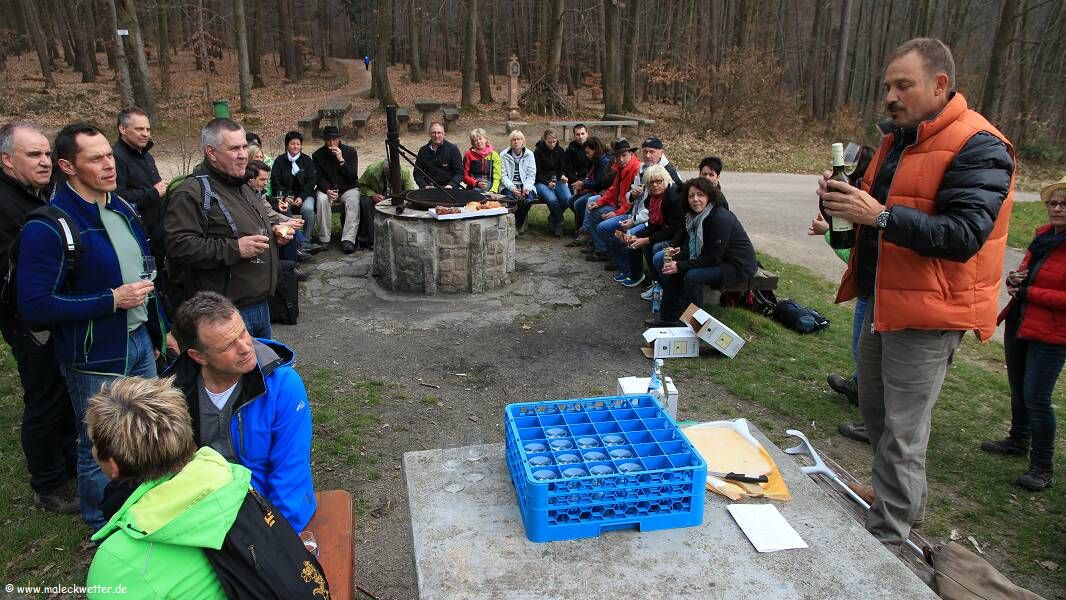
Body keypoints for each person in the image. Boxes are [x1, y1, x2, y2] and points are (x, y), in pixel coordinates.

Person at [819, 38, 1015, 549]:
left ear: (939, 85)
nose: (890, 96)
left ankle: (888, 539)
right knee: (877, 414)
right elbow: (871, 213)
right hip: (884, 299)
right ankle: (897, 501)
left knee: (903, 430)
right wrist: (840, 205)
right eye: (888, 86)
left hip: (931, 312)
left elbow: (964, 235)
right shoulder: (900, 139)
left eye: (903, 85)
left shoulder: (981, 145)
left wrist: (880, 216)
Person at [16, 122, 174, 530]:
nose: (109, 164)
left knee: (148, 430)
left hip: (140, 342)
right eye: (96, 158)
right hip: (94, 356)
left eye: (109, 155)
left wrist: (160, 330)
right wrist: (110, 300)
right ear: (68, 166)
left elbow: (145, 276)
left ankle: (147, 509)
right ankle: (100, 525)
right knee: (99, 443)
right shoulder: (48, 226)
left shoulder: (122, 208)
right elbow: (34, 305)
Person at [85, 376, 249, 598]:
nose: (92, 450)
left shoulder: (115, 564)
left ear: (113, 466)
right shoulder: (233, 480)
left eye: (94, 444)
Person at [168, 291, 316, 530]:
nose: (246, 347)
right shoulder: (173, 395)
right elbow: (168, 475)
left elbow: (290, 476)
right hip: (202, 517)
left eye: (243, 332)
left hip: (268, 513)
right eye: (228, 345)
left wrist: (278, 535)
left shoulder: (282, 385)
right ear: (198, 356)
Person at [0, 121, 78, 513]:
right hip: (28, 323)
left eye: (47, 153)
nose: (45, 161)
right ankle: (48, 486)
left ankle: (67, 462)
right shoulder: (5, 204)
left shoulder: (40, 193)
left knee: (61, 391)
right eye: (34, 154)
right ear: (7, 160)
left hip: (55, 315)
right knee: (44, 399)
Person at [165, 118, 294, 340]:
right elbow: (178, 246)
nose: (243, 154)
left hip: (260, 305)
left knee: (263, 364)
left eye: (244, 146)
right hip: (224, 315)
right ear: (211, 152)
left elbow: (246, 227)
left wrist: (274, 234)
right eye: (234, 149)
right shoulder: (191, 192)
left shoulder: (242, 185)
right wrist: (235, 248)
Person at [980, 177, 1066, 492]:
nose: (1057, 209)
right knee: (1018, 389)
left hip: (1053, 333)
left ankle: (1043, 466)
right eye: (1053, 203)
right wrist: (1015, 280)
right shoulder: (1043, 237)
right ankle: (1018, 439)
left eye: (1064, 204)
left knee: (1037, 397)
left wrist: (1028, 291)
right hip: (1021, 320)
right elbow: (1027, 274)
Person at [811, 144, 876, 443]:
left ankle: (871, 414)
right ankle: (858, 387)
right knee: (862, 350)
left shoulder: (872, 203)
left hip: (876, 288)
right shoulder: (856, 195)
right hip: (866, 286)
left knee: (868, 353)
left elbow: (850, 253)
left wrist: (827, 232)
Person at [650, 177, 757, 327]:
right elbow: (699, 246)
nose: (695, 199)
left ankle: (695, 323)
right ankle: (669, 317)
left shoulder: (719, 218)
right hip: (717, 257)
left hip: (737, 264)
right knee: (669, 261)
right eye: (691, 196)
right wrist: (681, 253)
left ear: (709, 196)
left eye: (700, 195)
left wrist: (680, 265)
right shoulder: (694, 216)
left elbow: (713, 258)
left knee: (693, 275)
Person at [595, 137, 683, 276]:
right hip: (641, 216)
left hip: (659, 225)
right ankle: (626, 268)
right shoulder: (642, 168)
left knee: (635, 238)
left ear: (661, 152)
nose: (647, 155)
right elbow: (629, 196)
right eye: (645, 151)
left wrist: (634, 222)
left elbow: (667, 221)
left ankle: (639, 274)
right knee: (605, 228)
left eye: (652, 152)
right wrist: (633, 195)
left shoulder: (669, 175)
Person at [112, 107, 168, 255]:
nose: (145, 134)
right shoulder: (115, 158)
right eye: (139, 129)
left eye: (148, 129)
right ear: (122, 129)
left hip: (158, 235)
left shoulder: (146, 156)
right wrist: (153, 193)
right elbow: (117, 197)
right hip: (136, 237)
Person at [617, 165, 683, 289]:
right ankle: (654, 281)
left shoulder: (673, 197)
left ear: (665, 180)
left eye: (659, 181)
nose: (655, 185)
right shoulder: (652, 198)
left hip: (679, 237)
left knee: (656, 247)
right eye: (651, 182)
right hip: (667, 231)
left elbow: (673, 229)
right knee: (637, 240)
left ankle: (664, 286)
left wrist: (647, 239)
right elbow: (654, 226)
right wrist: (637, 236)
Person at [582, 139, 640, 263]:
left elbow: (632, 202)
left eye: (624, 155)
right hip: (618, 206)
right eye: (618, 156)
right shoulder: (620, 168)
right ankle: (602, 249)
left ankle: (613, 255)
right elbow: (613, 190)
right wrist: (599, 202)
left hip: (630, 212)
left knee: (603, 223)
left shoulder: (636, 170)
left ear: (631, 154)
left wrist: (616, 213)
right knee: (593, 209)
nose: (621, 159)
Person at [312, 126, 360, 253]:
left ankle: (348, 240)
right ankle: (324, 239)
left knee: (354, 200)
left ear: (339, 139)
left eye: (334, 139)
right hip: (328, 189)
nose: (331, 143)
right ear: (325, 141)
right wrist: (327, 189)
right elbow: (318, 177)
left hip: (347, 188)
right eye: (328, 140)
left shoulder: (350, 152)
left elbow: (352, 177)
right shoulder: (317, 155)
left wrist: (341, 160)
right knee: (321, 200)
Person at [270, 131, 319, 246]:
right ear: (287, 145)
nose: (296, 146)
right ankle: (294, 240)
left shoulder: (307, 160)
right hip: (286, 196)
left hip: (305, 195)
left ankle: (306, 240)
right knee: (285, 209)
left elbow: (311, 181)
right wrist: (286, 196)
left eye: (298, 144)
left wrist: (302, 197)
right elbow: (276, 182)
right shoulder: (279, 161)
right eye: (292, 144)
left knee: (308, 210)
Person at [358, 155, 417, 249]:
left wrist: (401, 197)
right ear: (383, 170)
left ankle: (398, 235)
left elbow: (409, 191)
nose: (389, 177)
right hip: (376, 194)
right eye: (387, 175)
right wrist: (373, 195)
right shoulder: (372, 171)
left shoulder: (404, 172)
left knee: (404, 206)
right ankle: (371, 239)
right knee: (365, 202)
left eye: (392, 176)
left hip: (396, 196)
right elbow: (361, 185)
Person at [533, 128, 572, 237]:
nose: (552, 144)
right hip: (541, 181)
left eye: (554, 142)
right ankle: (560, 223)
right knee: (552, 199)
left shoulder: (560, 151)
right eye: (549, 142)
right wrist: (547, 183)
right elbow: (536, 173)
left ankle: (552, 217)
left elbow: (562, 168)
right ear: (544, 140)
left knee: (567, 198)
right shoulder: (538, 152)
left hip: (557, 179)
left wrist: (563, 175)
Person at [500, 130, 538, 234]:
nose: (516, 141)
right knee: (511, 200)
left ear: (523, 141)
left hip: (525, 185)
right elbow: (503, 176)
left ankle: (517, 225)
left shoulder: (529, 154)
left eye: (519, 139)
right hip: (509, 185)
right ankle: (514, 227)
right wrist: (512, 188)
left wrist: (526, 187)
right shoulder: (503, 155)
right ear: (510, 142)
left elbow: (531, 174)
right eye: (514, 139)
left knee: (528, 200)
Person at [414, 122, 463, 189]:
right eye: (434, 133)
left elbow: (459, 173)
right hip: (429, 188)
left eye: (439, 133)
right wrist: (424, 185)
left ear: (444, 134)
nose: (436, 136)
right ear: (429, 134)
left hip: (449, 189)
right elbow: (417, 173)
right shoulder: (423, 150)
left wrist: (451, 185)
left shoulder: (453, 149)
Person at [462, 128, 501, 193]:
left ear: (485, 139)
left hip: (490, 188)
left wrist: (493, 190)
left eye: (480, 139)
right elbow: (464, 175)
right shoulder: (468, 154)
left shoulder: (494, 155)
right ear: (473, 143)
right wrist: (476, 183)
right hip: (473, 187)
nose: (478, 142)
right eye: (475, 140)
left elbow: (497, 177)